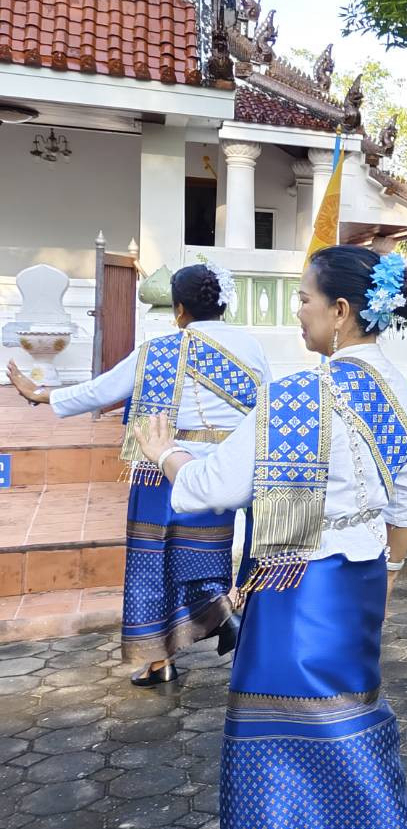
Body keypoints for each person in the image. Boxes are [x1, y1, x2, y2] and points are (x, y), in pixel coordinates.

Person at [134, 246, 407, 829]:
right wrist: (391, 571)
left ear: (341, 311)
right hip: (359, 580)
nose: (297, 311)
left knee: (277, 736)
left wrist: (164, 453)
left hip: (293, 583)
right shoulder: (398, 388)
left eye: (305, 299)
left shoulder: (298, 394)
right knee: (349, 716)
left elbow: (210, 487)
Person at [6, 263, 268, 686]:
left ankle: (162, 660)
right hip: (227, 471)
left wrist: (40, 394)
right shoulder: (251, 347)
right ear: (222, 304)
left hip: (167, 467)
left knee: (154, 565)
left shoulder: (161, 350)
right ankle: (224, 617)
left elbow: (102, 390)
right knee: (210, 556)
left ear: (179, 309)